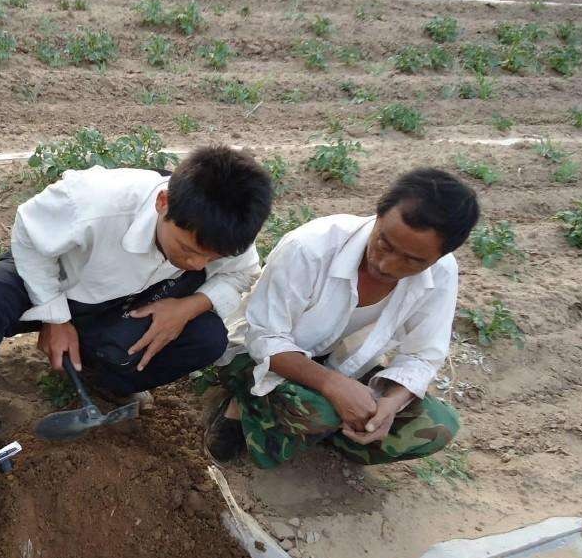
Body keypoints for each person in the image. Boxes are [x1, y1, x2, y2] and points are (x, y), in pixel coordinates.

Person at [0, 146, 274, 456]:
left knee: (207, 337)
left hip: (125, 303)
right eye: (187, 250)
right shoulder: (95, 201)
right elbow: (29, 233)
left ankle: (103, 383)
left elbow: (241, 274)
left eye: (210, 257)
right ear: (163, 203)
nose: (198, 265)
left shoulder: (228, 232)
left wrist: (189, 306)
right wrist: (55, 316)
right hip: (55, 281)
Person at [204, 168, 480, 468]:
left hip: (342, 360)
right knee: (321, 411)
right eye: (384, 243)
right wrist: (331, 384)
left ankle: (325, 428)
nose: (386, 265)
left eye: (413, 261)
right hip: (260, 354)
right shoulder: (310, 248)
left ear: (440, 256)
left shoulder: (441, 273)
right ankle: (243, 405)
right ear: (377, 215)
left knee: (436, 426)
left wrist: (390, 404)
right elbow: (264, 338)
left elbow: (423, 355)